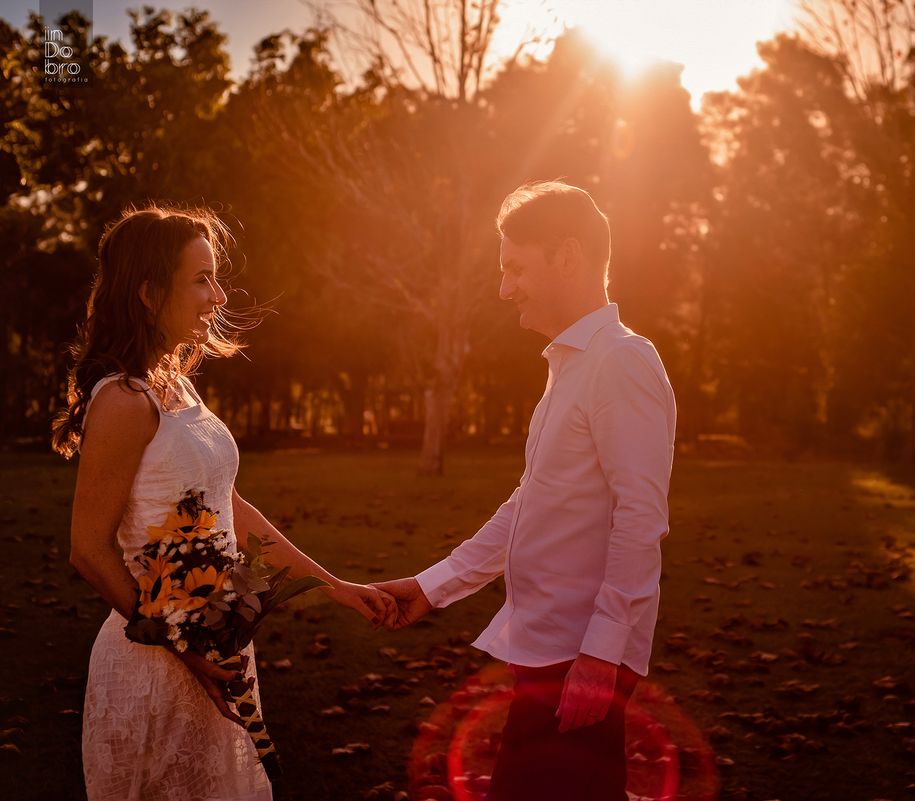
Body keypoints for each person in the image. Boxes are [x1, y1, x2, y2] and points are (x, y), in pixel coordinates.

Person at [52, 203, 395, 801]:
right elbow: (89, 550)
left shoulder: (176, 384)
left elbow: (229, 508)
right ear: (149, 293)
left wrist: (334, 588)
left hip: (215, 650)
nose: (218, 296)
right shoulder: (124, 401)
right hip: (152, 666)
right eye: (202, 279)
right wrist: (184, 647)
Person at [373, 181, 676, 801]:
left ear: (567, 256)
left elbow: (640, 517)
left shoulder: (621, 362)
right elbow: (530, 503)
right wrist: (433, 587)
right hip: (547, 655)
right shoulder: (572, 366)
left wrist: (601, 656)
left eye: (515, 268)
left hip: (578, 664)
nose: (504, 288)